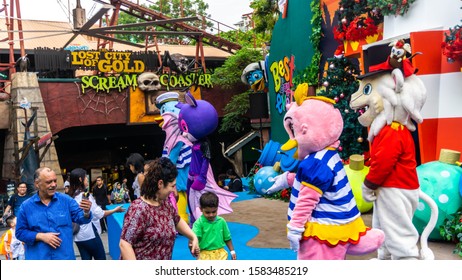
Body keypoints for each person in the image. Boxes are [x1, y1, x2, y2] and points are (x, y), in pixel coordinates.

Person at [119, 157, 199, 260]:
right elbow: (125, 244)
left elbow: (177, 220)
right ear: (160, 184)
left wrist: (192, 236)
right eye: (172, 186)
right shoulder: (139, 209)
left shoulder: (165, 203)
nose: (174, 190)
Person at [15, 167, 93, 260]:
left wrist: (86, 212)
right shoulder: (26, 206)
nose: (53, 185)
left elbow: (81, 218)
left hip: (64, 258)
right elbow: (20, 232)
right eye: (49, 182)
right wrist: (40, 236)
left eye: (55, 181)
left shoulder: (66, 201)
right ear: (37, 184)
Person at [69, 168, 125, 260]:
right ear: (80, 179)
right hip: (90, 234)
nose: (87, 179)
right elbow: (99, 214)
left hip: (77, 237)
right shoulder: (85, 196)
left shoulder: (71, 197)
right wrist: (114, 210)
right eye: (85, 177)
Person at [192, 192, 236, 260]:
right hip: (204, 255)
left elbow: (227, 238)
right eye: (207, 212)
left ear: (217, 208)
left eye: (214, 212)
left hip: (221, 254)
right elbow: (194, 238)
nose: (211, 215)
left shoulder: (221, 221)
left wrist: (232, 251)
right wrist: (194, 248)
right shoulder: (198, 223)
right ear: (201, 209)